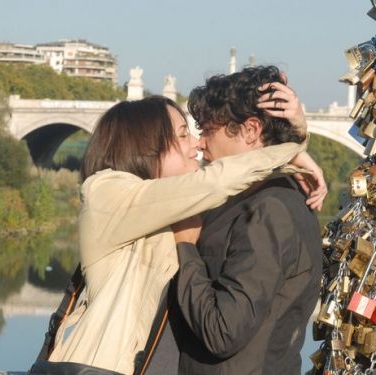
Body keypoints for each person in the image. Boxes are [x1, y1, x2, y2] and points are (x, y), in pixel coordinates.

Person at [29, 91, 324, 374]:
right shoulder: (106, 195)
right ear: (145, 146)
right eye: (183, 134)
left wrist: (288, 142)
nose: (196, 143)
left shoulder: (181, 210)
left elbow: (230, 178)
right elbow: (216, 182)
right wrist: (291, 148)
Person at [169, 66, 323, 375]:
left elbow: (223, 331)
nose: (200, 143)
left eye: (208, 130)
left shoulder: (269, 210)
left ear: (251, 131)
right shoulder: (256, 199)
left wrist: (186, 248)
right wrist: (296, 144)